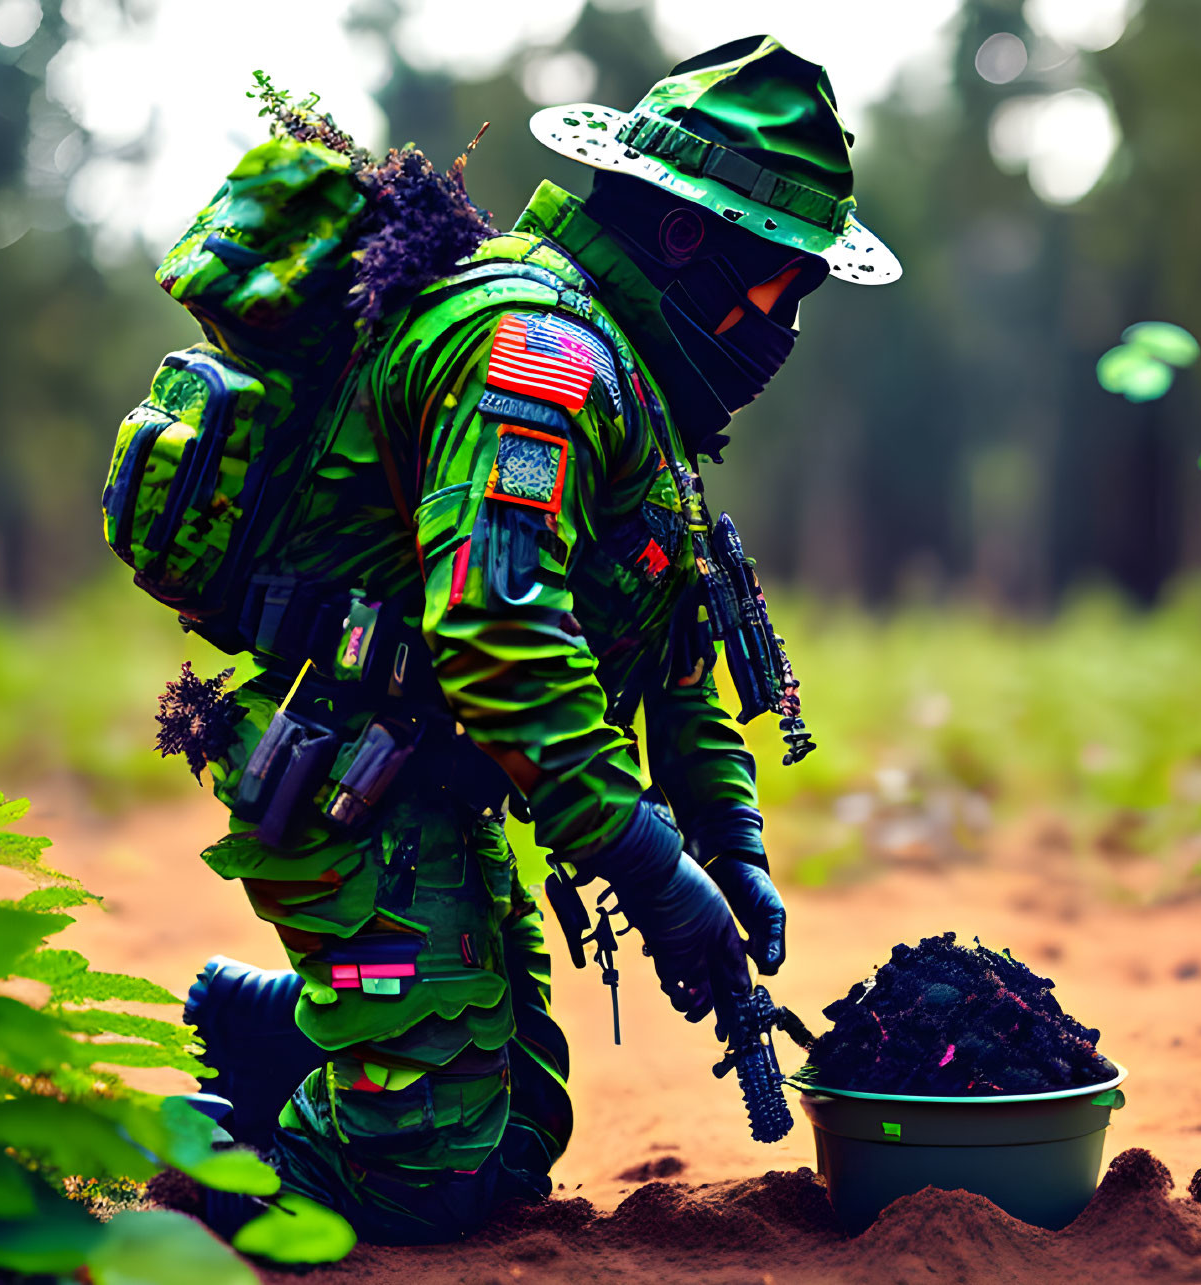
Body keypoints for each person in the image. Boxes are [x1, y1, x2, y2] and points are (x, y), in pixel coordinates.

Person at [175, 34, 899, 1247]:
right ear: (688, 235)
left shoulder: (636, 384)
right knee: (427, 1181)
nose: (784, 319)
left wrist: (728, 840)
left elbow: (675, 663)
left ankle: (295, 1033)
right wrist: (650, 868)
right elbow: (497, 632)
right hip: (350, 781)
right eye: (781, 275)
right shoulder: (542, 356)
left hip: (431, 792)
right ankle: (185, 1165)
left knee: (516, 1138)